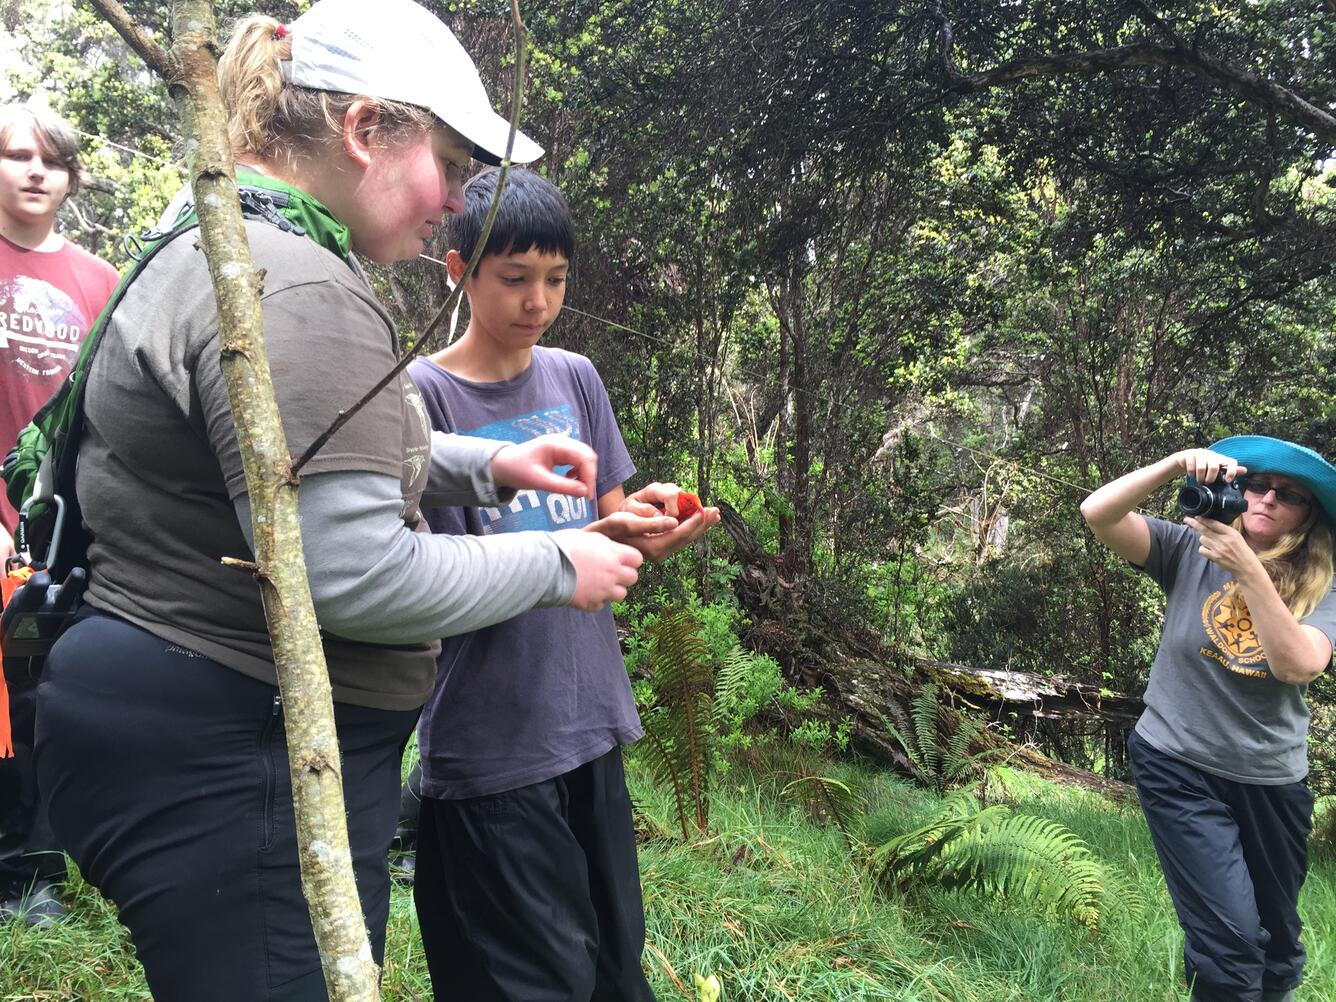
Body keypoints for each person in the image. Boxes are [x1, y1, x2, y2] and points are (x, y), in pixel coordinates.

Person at [31, 3, 642, 999]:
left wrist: (484, 469)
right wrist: (562, 563)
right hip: (236, 750)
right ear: (365, 131)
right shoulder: (298, 286)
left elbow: (282, 458)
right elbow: (352, 573)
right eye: (445, 161)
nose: (453, 201)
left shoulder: (224, 240)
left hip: (179, 719)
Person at [407, 167, 719, 1002]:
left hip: (587, 721)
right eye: (514, 278)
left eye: (555, 279)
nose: (537, 300)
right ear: (456, 269)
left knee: (615, 967)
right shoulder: (421, 397)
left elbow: (610, 538)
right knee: (529, 978)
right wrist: (592, 540)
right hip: (492, 738)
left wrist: (651, 531)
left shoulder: (575, 376)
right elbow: (433, 579)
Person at [1081, 437, 1336, 1002]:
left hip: (1270, 779)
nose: (1267, 499)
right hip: (1177, 762)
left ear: (1309, 514)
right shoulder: (1185, 547)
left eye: (1288, 494)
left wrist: (1246, 568)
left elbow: (1297, 665)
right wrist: (1175, 463)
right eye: (1255, 485)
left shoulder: (1327, 586)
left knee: (1276, 946)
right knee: (1228, 945)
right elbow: (1097, 512)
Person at [0, 102, 119, 926]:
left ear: (73, 177)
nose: (35, 172)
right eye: (16, 156)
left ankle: (37, 870)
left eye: (51, 161)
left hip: (59, 524)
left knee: (42, 688)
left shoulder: (104, 282)